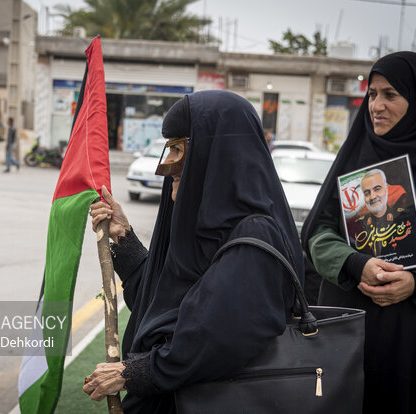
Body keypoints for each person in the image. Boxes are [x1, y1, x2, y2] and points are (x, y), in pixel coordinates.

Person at [84, 90, 305, 413]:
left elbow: (216, 339)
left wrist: (135, 373)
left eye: (179, 148)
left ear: (216, 152)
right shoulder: (200, 223)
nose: (167, 166)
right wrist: (124, 238)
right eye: (168, 148)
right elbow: (163, 306)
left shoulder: (255, 236)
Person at [302, 51, 416, 413]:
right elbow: (319, 231)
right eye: (372, 94)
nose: (376, 105)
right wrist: (355, 263)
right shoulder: (356, 156)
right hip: (349, 329)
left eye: (390, 94)